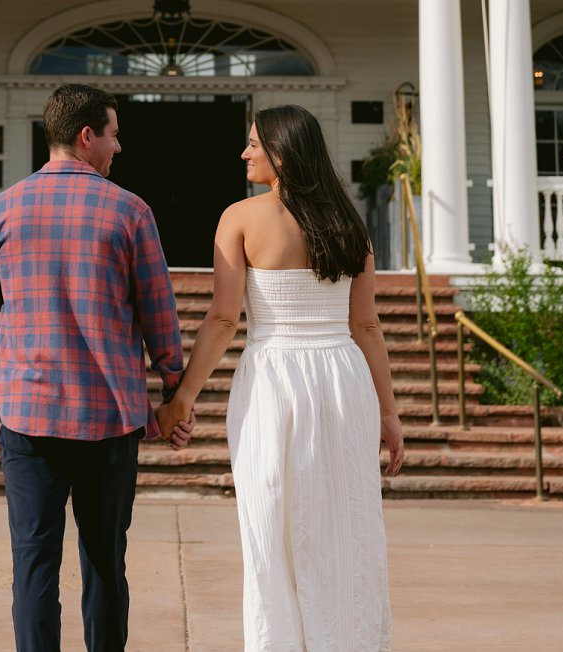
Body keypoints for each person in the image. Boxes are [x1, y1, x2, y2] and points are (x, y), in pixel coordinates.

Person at [157, 104, 405, 652]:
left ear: (282, 152)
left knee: (269, 524)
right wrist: (388, 413)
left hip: (274, 379)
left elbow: (223, 320)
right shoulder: (351, 223)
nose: (244, 153)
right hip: (343, 379)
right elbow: (365, 325)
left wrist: (182, 399)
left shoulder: (240, 218)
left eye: (253, 144)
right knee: (344, 525)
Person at [0, 83, 192, 652]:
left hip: (28, 414)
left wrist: (16, 370)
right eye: (114, 134)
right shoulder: (129, 211)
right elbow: (158, 314)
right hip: (109, 419)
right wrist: (174, 388)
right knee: (104, 563)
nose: (119, 148)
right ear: (86, 135)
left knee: (33, 564)